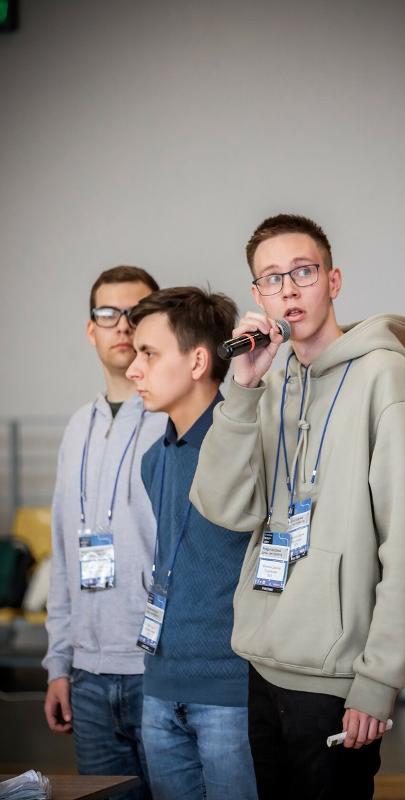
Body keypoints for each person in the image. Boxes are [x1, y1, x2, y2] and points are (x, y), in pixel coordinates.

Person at [190, 214, 405, 800]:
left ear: (333, 280)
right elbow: (224, 507)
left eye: (303, 271)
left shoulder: (387, 379)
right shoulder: (272, 381)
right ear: (257, 294)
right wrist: (243, 389)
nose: (289, 290)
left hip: (335, 676)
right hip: (263, 660)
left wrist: (379, 679)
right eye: (272, 278)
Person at [126, 287, 257, 800]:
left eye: (149, 354)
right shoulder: (154, 459)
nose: (133, 370)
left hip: (230, 691)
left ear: (199, 361)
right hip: (160, 686)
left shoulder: (248, 446)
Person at [43, 266, 166, 800]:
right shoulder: (77, 427)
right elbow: (62, 554)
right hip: (87, 677)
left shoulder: (176, 417)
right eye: (107, 313)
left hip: (159, 671)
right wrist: (58, 664)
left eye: (136, 313)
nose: (122, 325)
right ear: (90, 329)